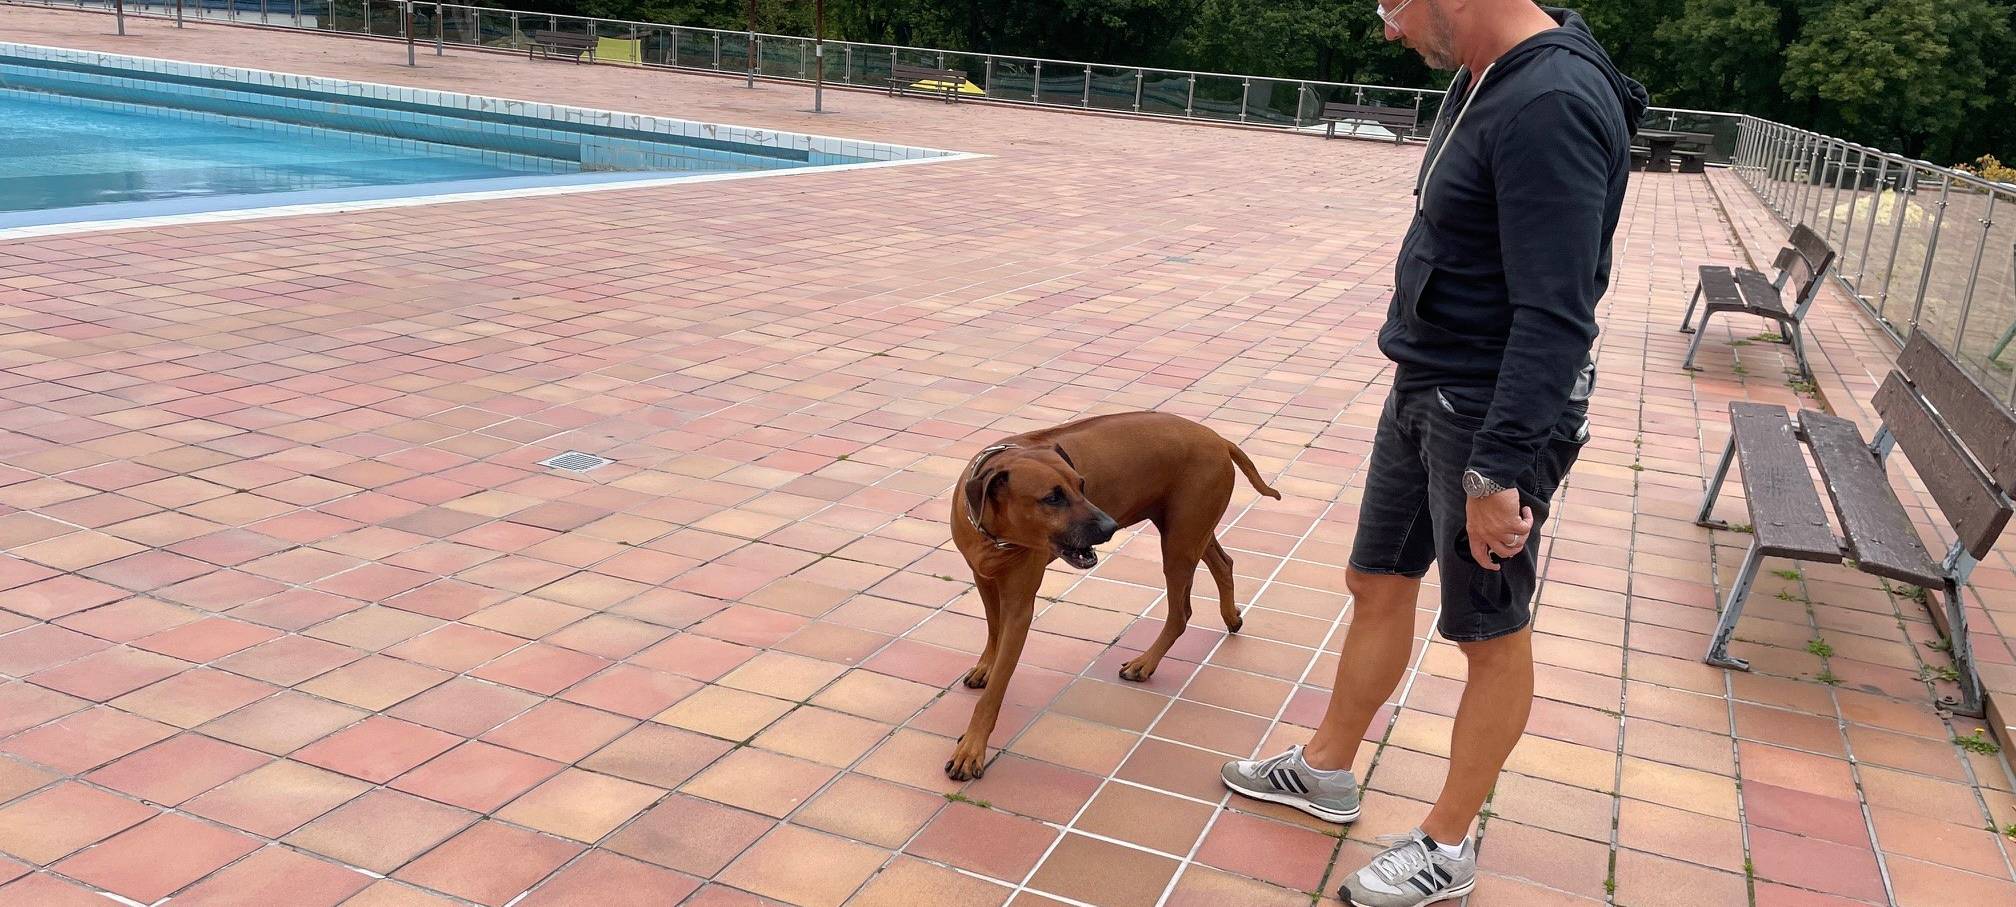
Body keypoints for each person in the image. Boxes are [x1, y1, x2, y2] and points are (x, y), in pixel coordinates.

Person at [1220, 2, 1647, 905]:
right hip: (1429, 379)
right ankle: (1326, 768)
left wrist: (1497, 470)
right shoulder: (1484, 75)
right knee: (1376, 579)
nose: (1387, 27)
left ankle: (1447, 844)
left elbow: (1557, 314)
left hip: (1491, 413)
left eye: (1393, 4)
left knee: (1489, 630)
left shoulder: (1551, 103)